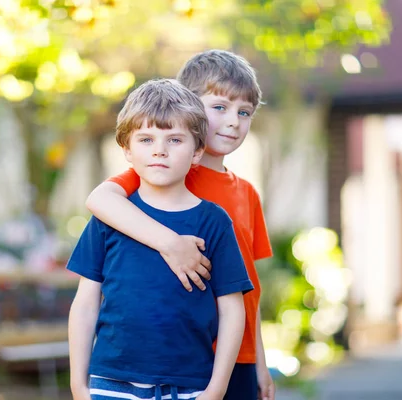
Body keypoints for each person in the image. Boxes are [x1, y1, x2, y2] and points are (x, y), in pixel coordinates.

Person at [85, 50, 275, 400]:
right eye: (219, 107)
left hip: (241, 355)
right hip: (190, 358)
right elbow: (100, 200)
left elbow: (250, 290)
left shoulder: (247, 194)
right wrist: (170, 243)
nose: (233, 121)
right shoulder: (169, 170)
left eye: (244, 112)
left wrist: (261, 363)